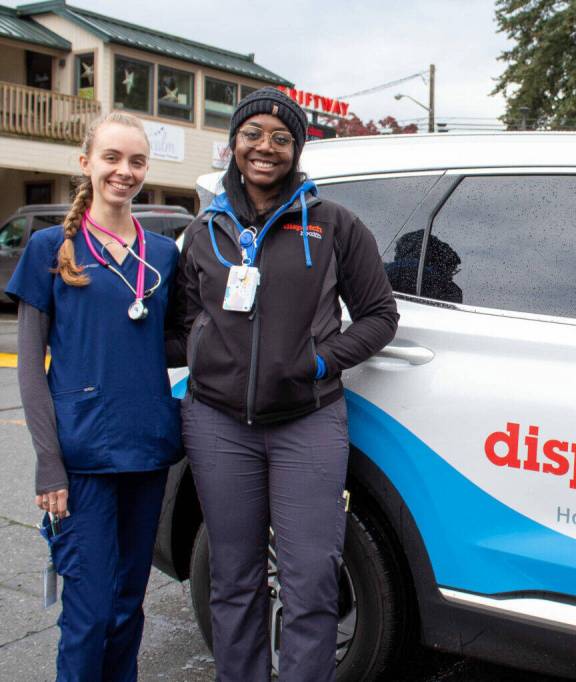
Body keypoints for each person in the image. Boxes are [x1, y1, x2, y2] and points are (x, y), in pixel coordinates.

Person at [166, 87, 399, 682]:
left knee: (311, 581)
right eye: (253, 135)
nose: (264, 148)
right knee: (234, 580)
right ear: (234, 144)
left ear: (296, 150)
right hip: (218, 425)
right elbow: (186, 317)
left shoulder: (334, 225)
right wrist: (205, 353)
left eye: (280, 137)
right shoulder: (204, 231)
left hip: (308, 421)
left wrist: (320, 362)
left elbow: (379, 315)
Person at [5, 111, 182, 681]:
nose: (123, 171)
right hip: (81, 459)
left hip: (148, 449)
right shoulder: (49, 248)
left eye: (135, 161)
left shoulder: (162, 254)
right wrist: (48, 466)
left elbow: (174, 339)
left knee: (130, 604)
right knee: (88, 610)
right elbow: (30, 367)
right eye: (112, 158)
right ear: (86, 163)